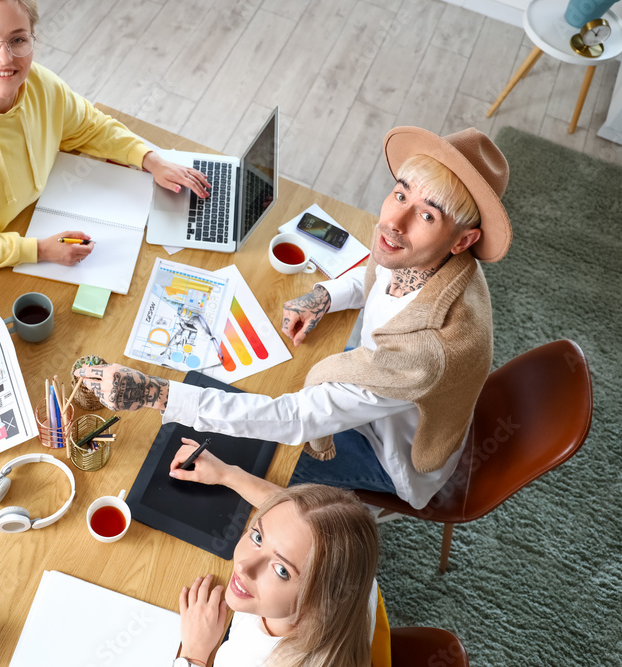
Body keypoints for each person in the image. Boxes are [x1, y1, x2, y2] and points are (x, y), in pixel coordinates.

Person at [75, 126, 512, 513]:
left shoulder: (422, 355)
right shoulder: (429, 257)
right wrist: (324, 294)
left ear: (464, 240)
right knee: (244, 401)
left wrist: (155, 393)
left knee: (247, 472)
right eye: (400, 194)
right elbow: (378, 275)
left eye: (427, 214)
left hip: (387, 450)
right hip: (376, 389)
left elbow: (294, 419)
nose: (393, 222)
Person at [0, 0, 209, 309]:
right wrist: (40, 251)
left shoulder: (38, 83)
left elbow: (89, 127)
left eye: (18, 39)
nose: (5, 58)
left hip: (24, 222)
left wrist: (150, 159)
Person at [170, 440, 390, 667]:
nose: (245, 566)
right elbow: (298, 521)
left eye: (282, 570)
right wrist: (226, 474)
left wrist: (193, 654)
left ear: (320, 598)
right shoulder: (351, 564)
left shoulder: (243, 660)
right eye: (257, 537)